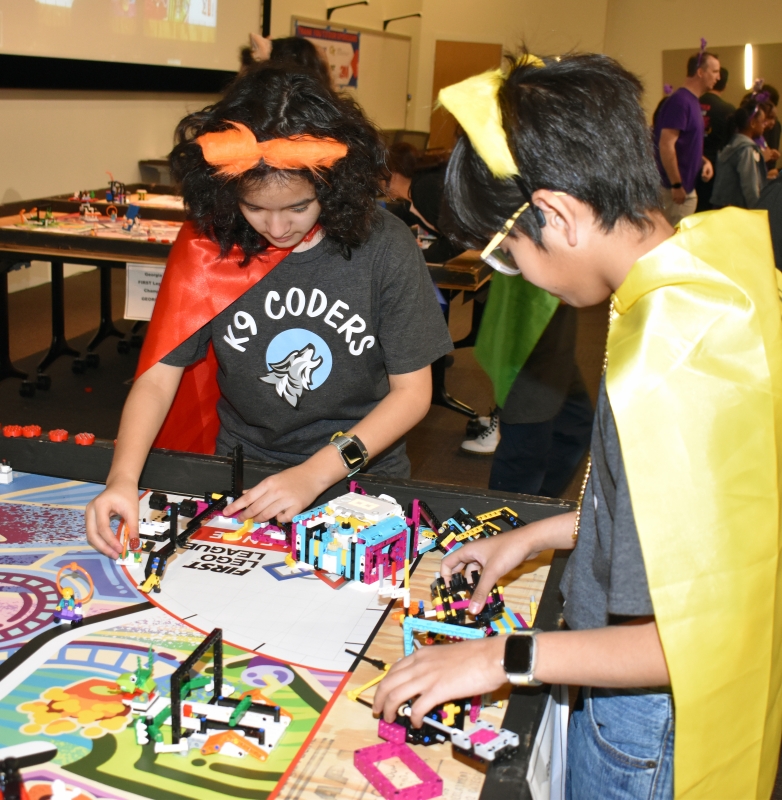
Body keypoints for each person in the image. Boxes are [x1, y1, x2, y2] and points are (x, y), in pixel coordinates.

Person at [374, 52, 782, 799]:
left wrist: (504, 655)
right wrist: (529, 536)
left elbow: (690, 635)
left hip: (647, 725)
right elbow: (674, 529)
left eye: (506, 256)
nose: (517, 277)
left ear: (557, 213)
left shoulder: (667, 366)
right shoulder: (702, 272)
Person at [85, 64, 452, 556]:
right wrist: (122, 478)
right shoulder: (208, 245)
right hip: (244, 470)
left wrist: (313, 474)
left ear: (331, 184)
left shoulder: (383, 246)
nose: (276, 227)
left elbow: (411, 395)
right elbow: (156, 377)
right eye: (254, 208)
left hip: (360, 475)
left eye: (298, 207)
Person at [653, 50, 720, 225]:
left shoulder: (692, 101)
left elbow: (686, 144)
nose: (718, 77)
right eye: (715, 71)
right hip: (675, 190)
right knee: (676, 243)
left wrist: (704, 162)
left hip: (684, 187)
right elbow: (666, 144)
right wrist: (676, 185)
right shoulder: (680, 102)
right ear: (700, 72)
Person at [383, 142, 464, 264]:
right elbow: (391, 220)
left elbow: (457, 241)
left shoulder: (425, 189)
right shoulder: (414, 194)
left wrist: (415, 255)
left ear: (393, 174)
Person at [711, 101, 769, 208]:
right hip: (737, 209)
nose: (765, 125)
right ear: (752, 123)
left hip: (723, 206)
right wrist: (757, 211)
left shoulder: (731, 142)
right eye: (763, 121)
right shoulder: (745, 149)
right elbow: (750, 186)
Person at [696, 67, 735, 211]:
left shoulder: (693, 104)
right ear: (724, 84)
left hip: (691, 164)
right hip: (717, 168)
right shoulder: (727, 110)